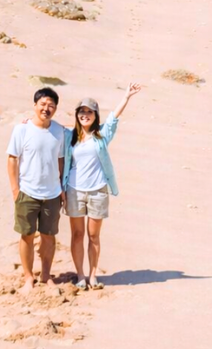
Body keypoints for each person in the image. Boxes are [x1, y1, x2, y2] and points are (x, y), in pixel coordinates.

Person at [62, 83, 143, 290]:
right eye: (82, 111)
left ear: (95, 115)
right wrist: (27, 122)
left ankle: (93, 274)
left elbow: (113, 119)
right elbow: (49, 129)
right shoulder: (69, 136)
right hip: (74, 190)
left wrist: (126, 97)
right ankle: (80, 274)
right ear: (77, 115)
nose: (85, 115)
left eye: (89, 112)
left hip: (98, 191)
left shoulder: (101, 136)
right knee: (77, 235)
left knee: (94, 236)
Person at [6, 87, 67, 290]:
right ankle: (28, 276)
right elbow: (12, 159)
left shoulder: (60, 131)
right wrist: (15, 190)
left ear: (55, 108)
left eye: (51, 105)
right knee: (27, 235)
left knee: (49, 236)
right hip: (27, 192)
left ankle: (46, 275)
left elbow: (61, 161)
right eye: (42, 104)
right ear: (35, 106)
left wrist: (62, 188)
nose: (46, 109)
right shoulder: (21, 130)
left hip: (52, 194)